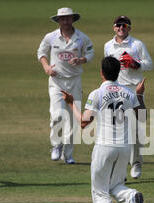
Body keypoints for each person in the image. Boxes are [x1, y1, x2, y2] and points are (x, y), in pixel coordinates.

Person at [62, 57, 146, 203]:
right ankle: (132, 197)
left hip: (104, 147)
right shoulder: (128, 92)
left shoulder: (97, 93)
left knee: (99, 191)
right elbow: (142, 117)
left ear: (101, 72)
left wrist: (70, 104)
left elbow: (84, 122)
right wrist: (139, 95)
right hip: (124, 148)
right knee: (115, 186)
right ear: (119, 72)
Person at [37, 7, 94, 164]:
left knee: (74, 119)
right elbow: (41, 53)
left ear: (72, 19)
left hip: (74, 81)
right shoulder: (50, 37)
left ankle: (68, 154)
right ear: (58, 21)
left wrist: (81, 60)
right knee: (57, 115)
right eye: (62, 19)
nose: (65, 21)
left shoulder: (82, 38)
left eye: (68, 18)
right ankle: (56, 145)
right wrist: (46, 67)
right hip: (56, 81)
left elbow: (90, 54)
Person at [104, 15, 153, 179]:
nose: (121, 28)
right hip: (116, 90)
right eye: (118, 25)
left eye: (124, 26)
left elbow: (150, 64)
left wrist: (136, 63)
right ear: (114, 28)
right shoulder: (108, 46)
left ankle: (137, 162)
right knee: (118, 130)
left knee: (136, 129)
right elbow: (107, 67)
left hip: (134, 90)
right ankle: (120, 168)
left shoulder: (137, 44)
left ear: (129, 28)